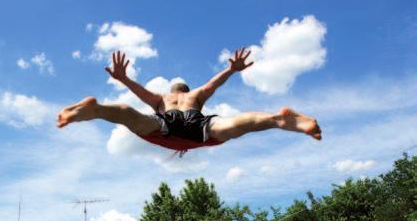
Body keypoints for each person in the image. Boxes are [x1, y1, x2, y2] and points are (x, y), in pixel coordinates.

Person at [57, 48, 321, 154]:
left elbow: (138, 92)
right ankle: (281, 119)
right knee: (240, 123)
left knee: (126, 113)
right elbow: (212, 84)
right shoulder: (195, 95)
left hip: (165, 124)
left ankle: (93, 110)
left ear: (173, 90)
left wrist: (123, 78)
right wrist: (231, 70)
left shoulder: (162, 98)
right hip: (200, 125)